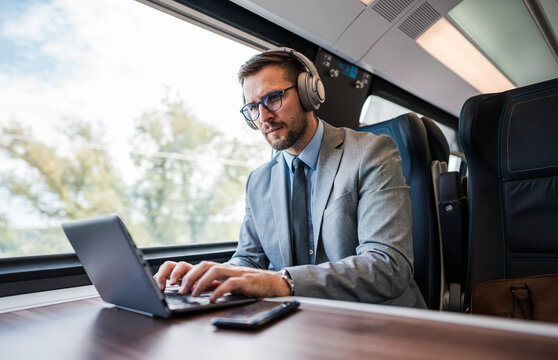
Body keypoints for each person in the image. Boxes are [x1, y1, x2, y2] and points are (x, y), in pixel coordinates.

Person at [154, 48, 426, 308]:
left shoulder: (371, 152)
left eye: (273, 98)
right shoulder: (258, 181)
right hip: (298, 320)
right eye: (253, 108)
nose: (264, 117)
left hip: (377, 319)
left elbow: (388, 266)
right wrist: (212, 275)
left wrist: (284, 282)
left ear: (310, 93)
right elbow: (250, 259)